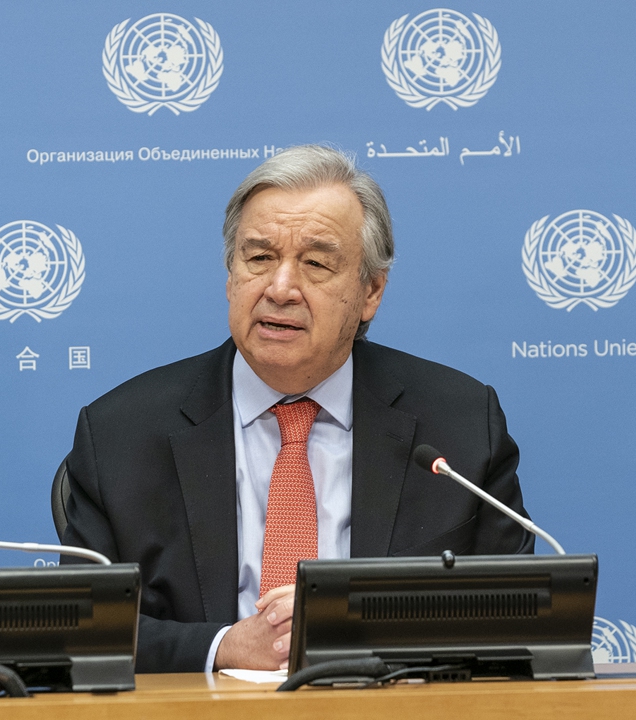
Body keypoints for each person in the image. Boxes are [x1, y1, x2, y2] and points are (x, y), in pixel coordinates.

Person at [61, 144, 533, 674]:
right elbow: (85, 628)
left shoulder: (461, 425)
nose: (280, 288)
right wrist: (225, 647)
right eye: (259, 258)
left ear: (371, 291)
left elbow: (511, 619)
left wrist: (350, 626)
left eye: (315, 264)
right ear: (230, 275)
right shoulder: (121, 434)